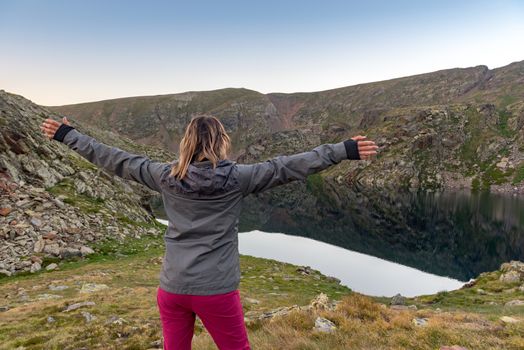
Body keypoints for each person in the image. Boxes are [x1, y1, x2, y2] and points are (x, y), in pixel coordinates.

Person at [41, 115, 378, 350]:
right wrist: (342, 150)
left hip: (172, 289)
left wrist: (68, 135)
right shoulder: (239, 178)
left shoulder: (164, 176)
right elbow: (287, 167)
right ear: (221, 143)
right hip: (216, 290)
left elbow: (115, 159)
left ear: (186, 142)